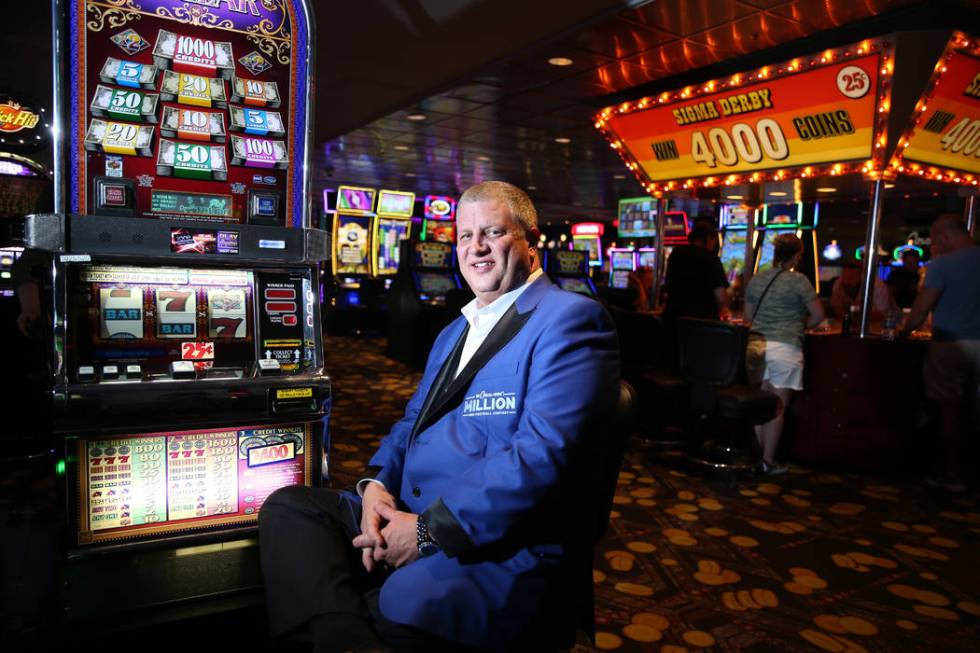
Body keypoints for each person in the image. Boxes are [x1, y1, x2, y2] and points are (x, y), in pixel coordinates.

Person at [259, 181, 620, 652]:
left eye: (493, 232)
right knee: (292, 509)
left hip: (491, 543)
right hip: (411, 509)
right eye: (465, 236)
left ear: (530, 240)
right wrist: (377, 490)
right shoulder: (455, 330)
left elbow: (541, 459)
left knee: (385, 606)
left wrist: (428, 532)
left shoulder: (571, 320)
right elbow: (412, 423)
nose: (477, 248)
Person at [898, 214, 980, 493]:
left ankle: (952, 473)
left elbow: (921, 308)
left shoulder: (943, 264)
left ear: (944, 236)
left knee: (948, 410)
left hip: (950, 344)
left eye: (935, 240)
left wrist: (903, 333)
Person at [744, 234, 826, 475]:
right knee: (776, 407)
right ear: (798, 255)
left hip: (756, 346)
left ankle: (756, 457)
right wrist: (799, 326)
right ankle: (768, 461)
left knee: (758, 404)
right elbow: (819, 315)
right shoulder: (799, 281)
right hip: (785, 346)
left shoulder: (757, 279)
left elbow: (748, 317)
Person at [661, 221, 729, 368]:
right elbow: (720, 296)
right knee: (699, 367)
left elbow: (668, 284)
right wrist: (725, 310)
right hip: (700, 324)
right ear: (709, 238)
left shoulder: (676, 253)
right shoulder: (711, 259)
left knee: (674, 364)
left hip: (672, 319)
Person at [830, 258, 895, 320]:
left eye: (852, 277)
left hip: (889, 325)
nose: (847, 282)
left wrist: (855, 314)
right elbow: (837, 308)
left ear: (862, 276)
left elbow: (882, 315)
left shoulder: (878, 287)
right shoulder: (838, 284)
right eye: (845, 276)